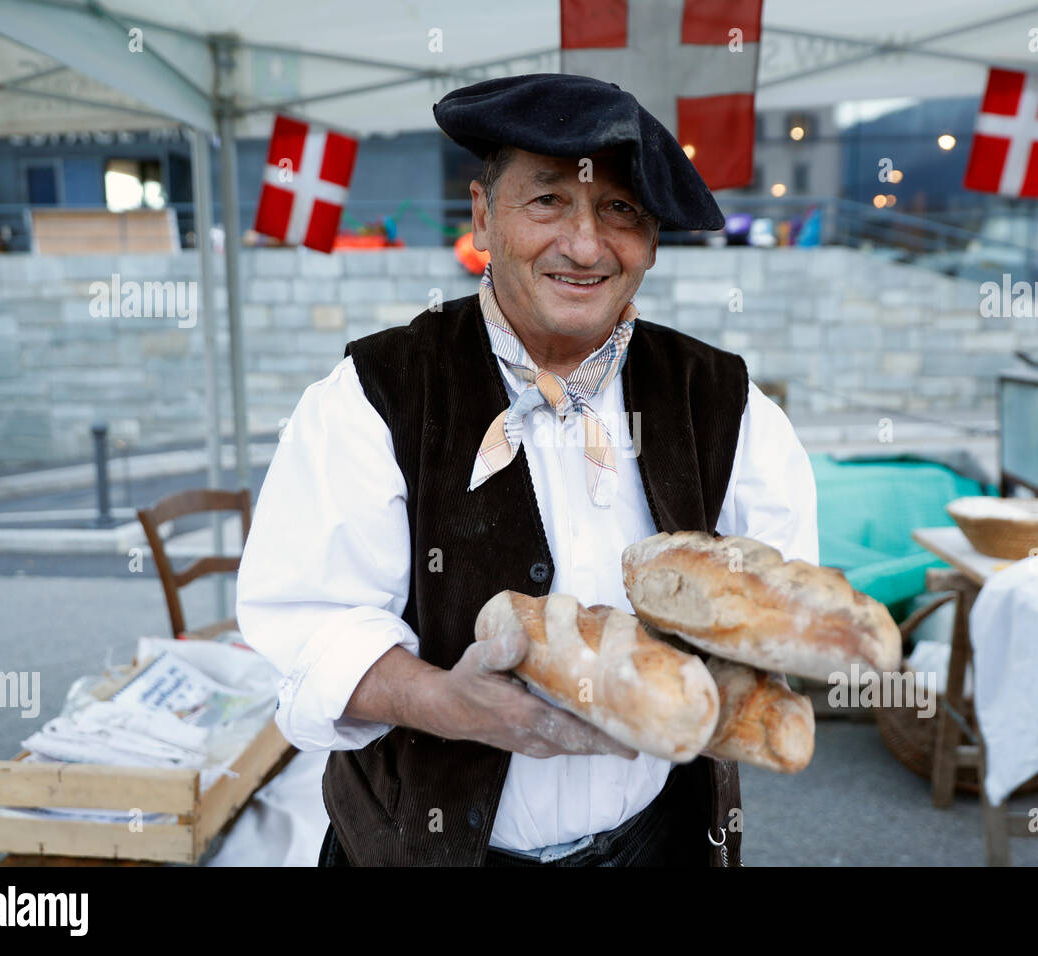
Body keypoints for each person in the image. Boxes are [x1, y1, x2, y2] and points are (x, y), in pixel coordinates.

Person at [235, 73, 818, 867]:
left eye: (621, 210)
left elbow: (782, 604)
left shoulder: (724, 402)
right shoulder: (378, 393)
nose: (584, 246)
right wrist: (446, 703)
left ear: (649, 241)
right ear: (484, 214)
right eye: (547, 201)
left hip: (661, 846)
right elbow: (311, 623)